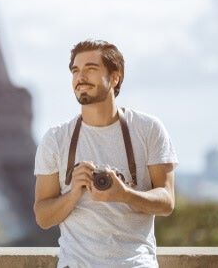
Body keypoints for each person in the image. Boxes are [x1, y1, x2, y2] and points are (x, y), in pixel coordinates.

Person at [33, 39, 178, 268]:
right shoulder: (56, 139)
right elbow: (43, 216)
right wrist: (73, 193)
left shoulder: (148, 129)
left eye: (90, 69)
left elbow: (167, 202)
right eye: (75, 70)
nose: (80, 77)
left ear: (115, 77)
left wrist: (124, 194)